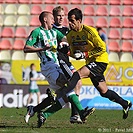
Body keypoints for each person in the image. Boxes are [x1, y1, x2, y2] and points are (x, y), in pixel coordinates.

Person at [24, 11, 95, 128]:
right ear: (45, 20)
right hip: (48, 66)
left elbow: (68, 39)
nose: (54, 20)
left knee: (65, 95)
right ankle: (81, 112)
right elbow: (26, 48)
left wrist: (77, 45)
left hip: (56, 65)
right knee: (69, 84)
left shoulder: (54, 32)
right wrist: (42, 48)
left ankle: (40, 112)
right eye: (52, 18)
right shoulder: (37, 32)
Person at [65, 8, 132, 120]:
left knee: (76, 75)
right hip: (91, 62)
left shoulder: (89, 31)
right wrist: (68, 52)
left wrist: (85, 54)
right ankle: (125, 103)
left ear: (79, 20)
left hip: (100, 61)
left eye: (72, 21)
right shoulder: (70, 35)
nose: (70, 23)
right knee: (104, 92)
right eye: (69, 21)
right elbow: (73, 53)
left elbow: (102, 48)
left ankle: (75, 113)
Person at [53, 6, 82, 124]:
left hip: (67, 61)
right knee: (71, 86)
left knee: (76, 84)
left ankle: (74, 114)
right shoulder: (51, 30)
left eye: (62, 16)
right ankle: (75, 114)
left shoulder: (67, 30)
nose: (61, 18)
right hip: (58, 63)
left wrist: (78, 52)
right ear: (54, 17)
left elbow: (73, 46)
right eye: (58, 15)